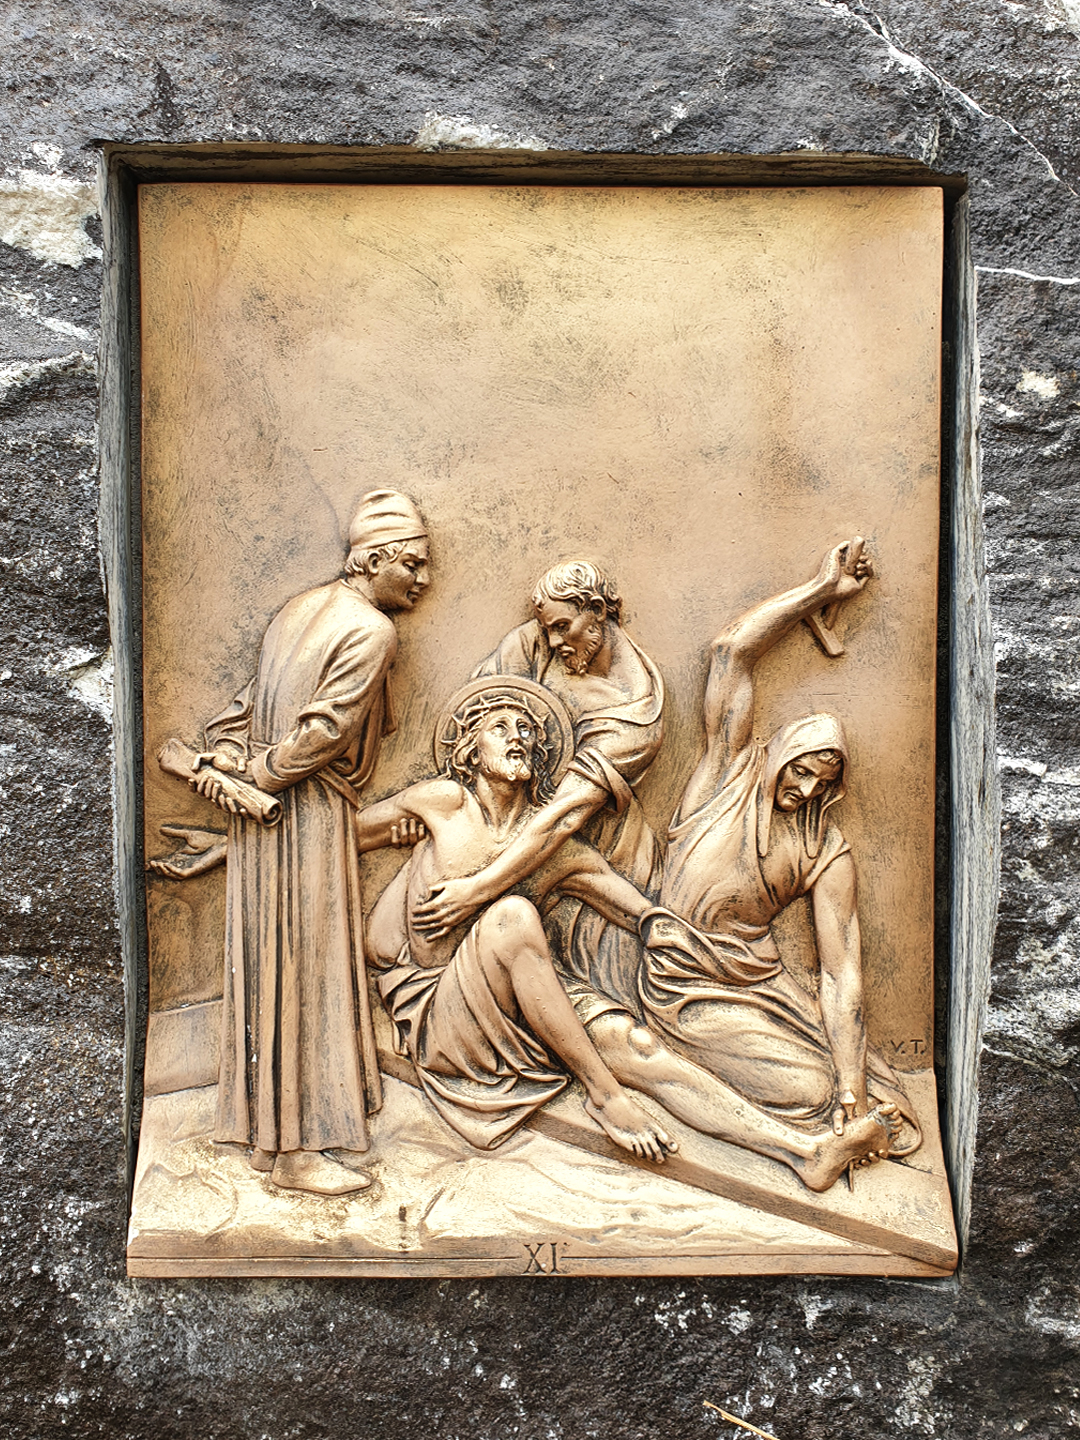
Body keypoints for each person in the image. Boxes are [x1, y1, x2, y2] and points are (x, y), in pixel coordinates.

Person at [361, 677, 897, 1189]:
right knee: (514, 916)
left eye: (527, 730)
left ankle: (804, 1153)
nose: (518, 737)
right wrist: (397, 838)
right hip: (442, 1013)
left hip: (521, 1006)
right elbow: (340, 836)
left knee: (638, 1044)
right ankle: (605, 1097)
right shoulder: (442, 803)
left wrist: (682, 943)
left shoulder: (558, 851)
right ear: (469, 750)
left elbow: (644, 914)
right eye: (500, 728)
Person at [640, 539, 922, 1155]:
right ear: (778, 755)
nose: (806, 788)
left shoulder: (824, 848)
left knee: (848, 1086)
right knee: (806, 1089)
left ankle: (836, 1111)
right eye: (800, 770)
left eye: (824, 781)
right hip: (674, 978)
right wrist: (820, 591)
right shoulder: (728, 771)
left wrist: (851, 1087)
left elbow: (840, 972)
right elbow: (730, 650)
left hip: (757, 984)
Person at [190, 489, 432, 1196]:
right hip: (304, 812)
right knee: (308, 965)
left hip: (261, 812)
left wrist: (229, 754)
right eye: (413, 564)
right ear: (373, 560)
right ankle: (297, 1153)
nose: (422, 580)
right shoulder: (371, 630)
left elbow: (245, 704)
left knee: (270, 962)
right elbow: (324, 732)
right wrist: (262, 776)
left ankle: (272, 1135)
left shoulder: (297, 609)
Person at [413, 561, 663, 1016]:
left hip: (592, 847)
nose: (552, 641)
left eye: (563, 627)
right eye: (547, 628)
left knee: (591, 999)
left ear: (597, 611)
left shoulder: (634, 716)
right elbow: (475, 725)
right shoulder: (535, 641)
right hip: (505, 827)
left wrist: (476, 888)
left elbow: (562, 819)